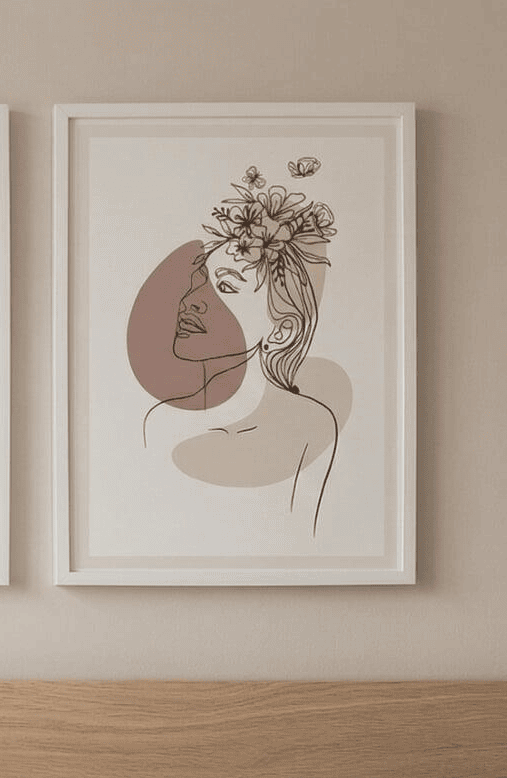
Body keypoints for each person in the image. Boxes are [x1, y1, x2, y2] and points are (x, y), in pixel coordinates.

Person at [129, 161, 345, 533]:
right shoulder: (160, 424)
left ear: (282, 330)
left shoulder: (311, 427)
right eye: (200, 280)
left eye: (226, 286)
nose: (191, 300)